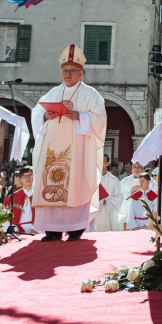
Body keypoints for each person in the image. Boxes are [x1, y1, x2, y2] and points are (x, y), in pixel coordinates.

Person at [30, 43, 108, 242]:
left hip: (77, 151)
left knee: (75, 185)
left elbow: (100, 119)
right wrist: (45, 116)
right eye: (65, 71)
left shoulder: (91, 94)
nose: (68, 74)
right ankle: (52, 230)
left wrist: (80, 116)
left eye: (72, 71)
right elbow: (36, 112)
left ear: (81, 73)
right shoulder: (53, 93)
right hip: (52, 150)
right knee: (50, 182)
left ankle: (75, 229)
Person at [90, 154, 124, 232]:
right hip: (95, 211)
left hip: (108, 212)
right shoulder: (92, 179)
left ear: (108, 163)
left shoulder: (114, 180)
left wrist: (107, 201)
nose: (100, 163)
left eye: (103, 161)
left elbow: (120, 196)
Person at [3, 168, 36, 234]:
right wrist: (15, 229)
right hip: (17, 231)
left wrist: (36, 229)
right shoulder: (13, 196)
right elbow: (4, 215)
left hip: (35, 231)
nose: (27, 178)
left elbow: (44, 216)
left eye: (30, 175)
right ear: (20, 179)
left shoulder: (38, 196)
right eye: (24, 176)